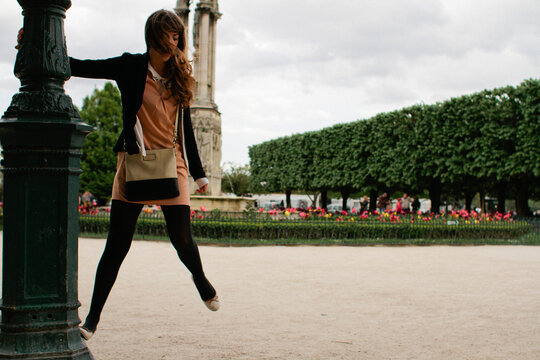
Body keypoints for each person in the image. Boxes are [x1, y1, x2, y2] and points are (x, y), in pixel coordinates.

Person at [17, 10, 221, 340]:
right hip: (135, 162)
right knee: (116, 245)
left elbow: (184, 129)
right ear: (154, 36)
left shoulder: (182, 76)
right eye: (169, 35)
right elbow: (80, 66)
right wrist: (34, 45)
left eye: (177, 36)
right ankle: (92, 320)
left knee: (182, 237)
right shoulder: (130, 66)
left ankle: (201, 280)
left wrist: (198, 174)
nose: (175, 41)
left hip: (174, 164)